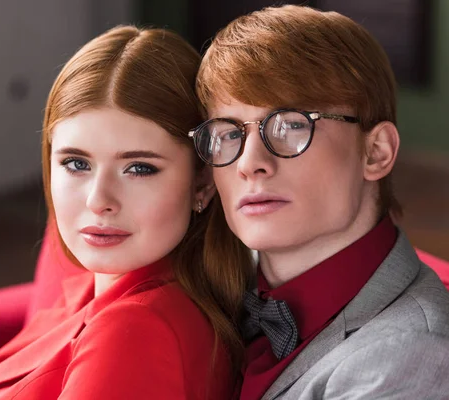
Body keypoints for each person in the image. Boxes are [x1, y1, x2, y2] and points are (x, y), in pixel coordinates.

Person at [0, 25, 249, 400]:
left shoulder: (136, 332)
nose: (98, 200)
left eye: (139, 168)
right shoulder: (93, 291)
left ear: (202, 182)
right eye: (76, 163)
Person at [190, 5, 449, 399]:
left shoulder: (410, 360)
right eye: (228, 134)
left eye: (291, 125)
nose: (250, 164)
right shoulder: (214, 283)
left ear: (375, 152)